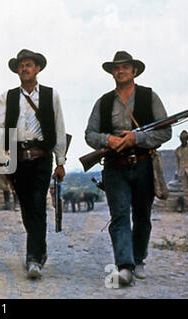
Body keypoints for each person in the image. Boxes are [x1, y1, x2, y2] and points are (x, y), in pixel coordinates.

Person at [85, 51, 171, 286]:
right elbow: (90, 134)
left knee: (142, 215)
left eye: (125, 67)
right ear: (112, 72)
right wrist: (108, 140)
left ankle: (138, 257)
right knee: (120, 215)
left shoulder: (149, 97)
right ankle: (125, 266)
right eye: (116, 68)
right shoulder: (103, 101)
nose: (120, 71)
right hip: (115, 166)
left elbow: (165, 132)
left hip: (143, 163)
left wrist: (137, 139)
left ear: (134, 71)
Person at [0, 49, 67, 279]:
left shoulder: (51, 95)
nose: (25, 68)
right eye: (21, 65)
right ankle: (39, 251)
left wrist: (60, 161)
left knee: (37, 205)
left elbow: (59, 128)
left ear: (37, 69)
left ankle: (33, 258)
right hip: (17, 158)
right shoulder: (8, 97)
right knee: (26, 208)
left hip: (41, 157)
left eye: (29, 65)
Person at [175, 130, 188, 212]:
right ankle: (186, 207)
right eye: (182, 138)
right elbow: (178, 162)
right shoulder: (177, 150)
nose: (183, 140)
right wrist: (178, 171)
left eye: (184, 138)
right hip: (182, 172)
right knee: (185, 190)